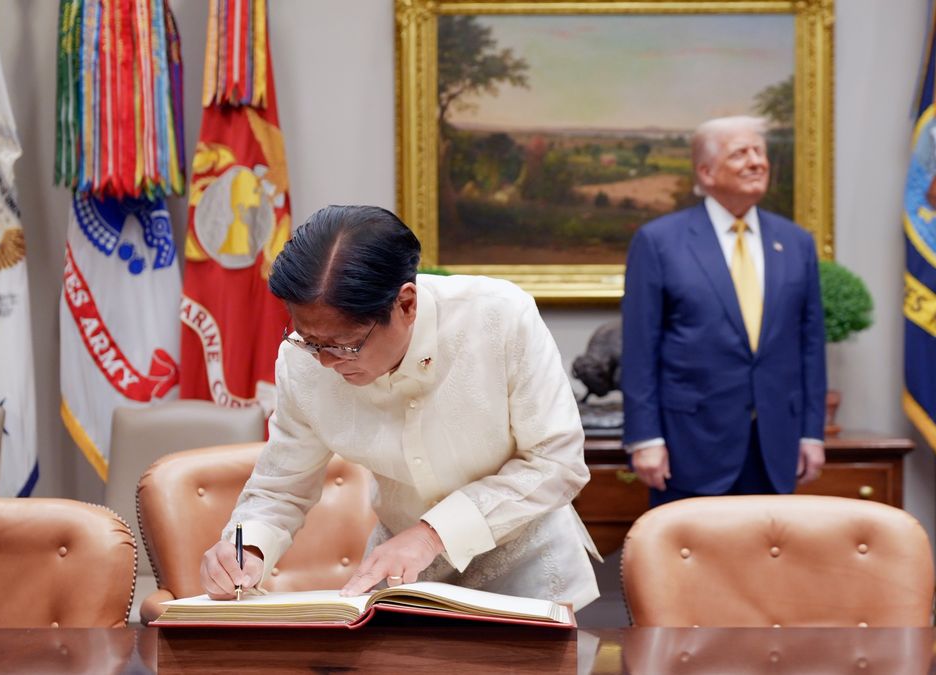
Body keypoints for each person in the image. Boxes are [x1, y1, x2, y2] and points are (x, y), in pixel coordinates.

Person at [198, 205, 599, 610]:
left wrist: (432, 534)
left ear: (406, 304)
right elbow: (282, 486)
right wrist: (249, 547)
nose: (324, 361)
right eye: (308, 339)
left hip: (525, 563)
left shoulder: (499, 317)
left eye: (345, 344)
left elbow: (556, 461)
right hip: (404, 576)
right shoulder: (302, 362)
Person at [620, 116, 827, 508]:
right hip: (689, 446)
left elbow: (810, 346)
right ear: (706, 172)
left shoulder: (796, 243)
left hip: (774, 447)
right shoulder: (659, 242)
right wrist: (645, 438)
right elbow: (639, 350)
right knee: (689, 569)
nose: (756, 162)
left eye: (759, 151)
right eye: (740, 153)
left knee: (766, 569)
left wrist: (811, 434)